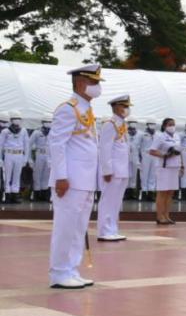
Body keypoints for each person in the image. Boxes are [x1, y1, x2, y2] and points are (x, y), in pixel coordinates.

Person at [48, 64, 103, 290]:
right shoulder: (68, 109)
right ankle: (59, 272)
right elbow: (57, 144)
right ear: (81, 83)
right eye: (94, 82)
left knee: (78, 228)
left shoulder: (86, 109)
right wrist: (61, 177)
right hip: (70, 181)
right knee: (65, 227)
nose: (97, 87)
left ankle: (71, 269)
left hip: (85, 181)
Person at [96, 94, 133, 242]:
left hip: (122, 170)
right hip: (113, 171)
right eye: (125, 106)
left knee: (116, 202)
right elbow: (105, 149)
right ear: (117, 107)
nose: (127, 109)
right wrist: (107, 170)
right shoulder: (109, 124)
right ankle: (104, 231)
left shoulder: (122, 124)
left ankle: (112, 229)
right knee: (108, 201)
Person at [149, 117, 182, 224]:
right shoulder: (160, 136)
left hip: (175, 166)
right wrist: (164, 155)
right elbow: (152, 151)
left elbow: (179, 151)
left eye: (173, 124)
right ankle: (160, 216)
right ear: (164, 126)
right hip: (164, 167)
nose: (172, 126)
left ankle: (167, 215)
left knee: (170, 192)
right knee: (162, 192)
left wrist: (182, 165)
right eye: (170, 124)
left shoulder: (177, 136)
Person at [2, 113, 29, 203]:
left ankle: (15, 193)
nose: (17, 120)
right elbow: (0, 145)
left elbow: (27, 145)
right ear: (11, 120)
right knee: (7, 175)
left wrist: (25, 158)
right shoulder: (5, 131)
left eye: (19, 118)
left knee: (17, 175)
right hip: (9, 154)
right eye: (15, 118)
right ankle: (7, 194)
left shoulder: (23, 131)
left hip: (19, 155)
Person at [29, 120, 51, 202]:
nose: (49, 123)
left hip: (48, 155)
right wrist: (29, 159)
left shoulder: (53, 132)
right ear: (43, 122)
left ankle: (45, 193)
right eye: (47, 121)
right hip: (39, 154)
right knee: (37, 174)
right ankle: (36, 193)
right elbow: (29, 145)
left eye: (50, 121)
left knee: (47, 175)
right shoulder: (37, 132)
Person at [140, 121, 158, 202]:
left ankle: (151, 192)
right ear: (147, 125)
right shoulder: (142, 134)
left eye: (153, 124)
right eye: (151, 124)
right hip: (146, 154)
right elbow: (138, 145)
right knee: (144, 174)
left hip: (154, 155)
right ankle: (144, 192)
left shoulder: (157, 134)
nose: (152, 126)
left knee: (153, 174)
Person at [126, 119, 143, 200]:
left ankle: (134, 193)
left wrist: (141, 157)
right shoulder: (124, 133)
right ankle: (126, 192)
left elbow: (142, 147)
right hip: (126, 157)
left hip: (135, 157)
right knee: (126, 175)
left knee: (135, 175)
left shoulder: (140, 134)